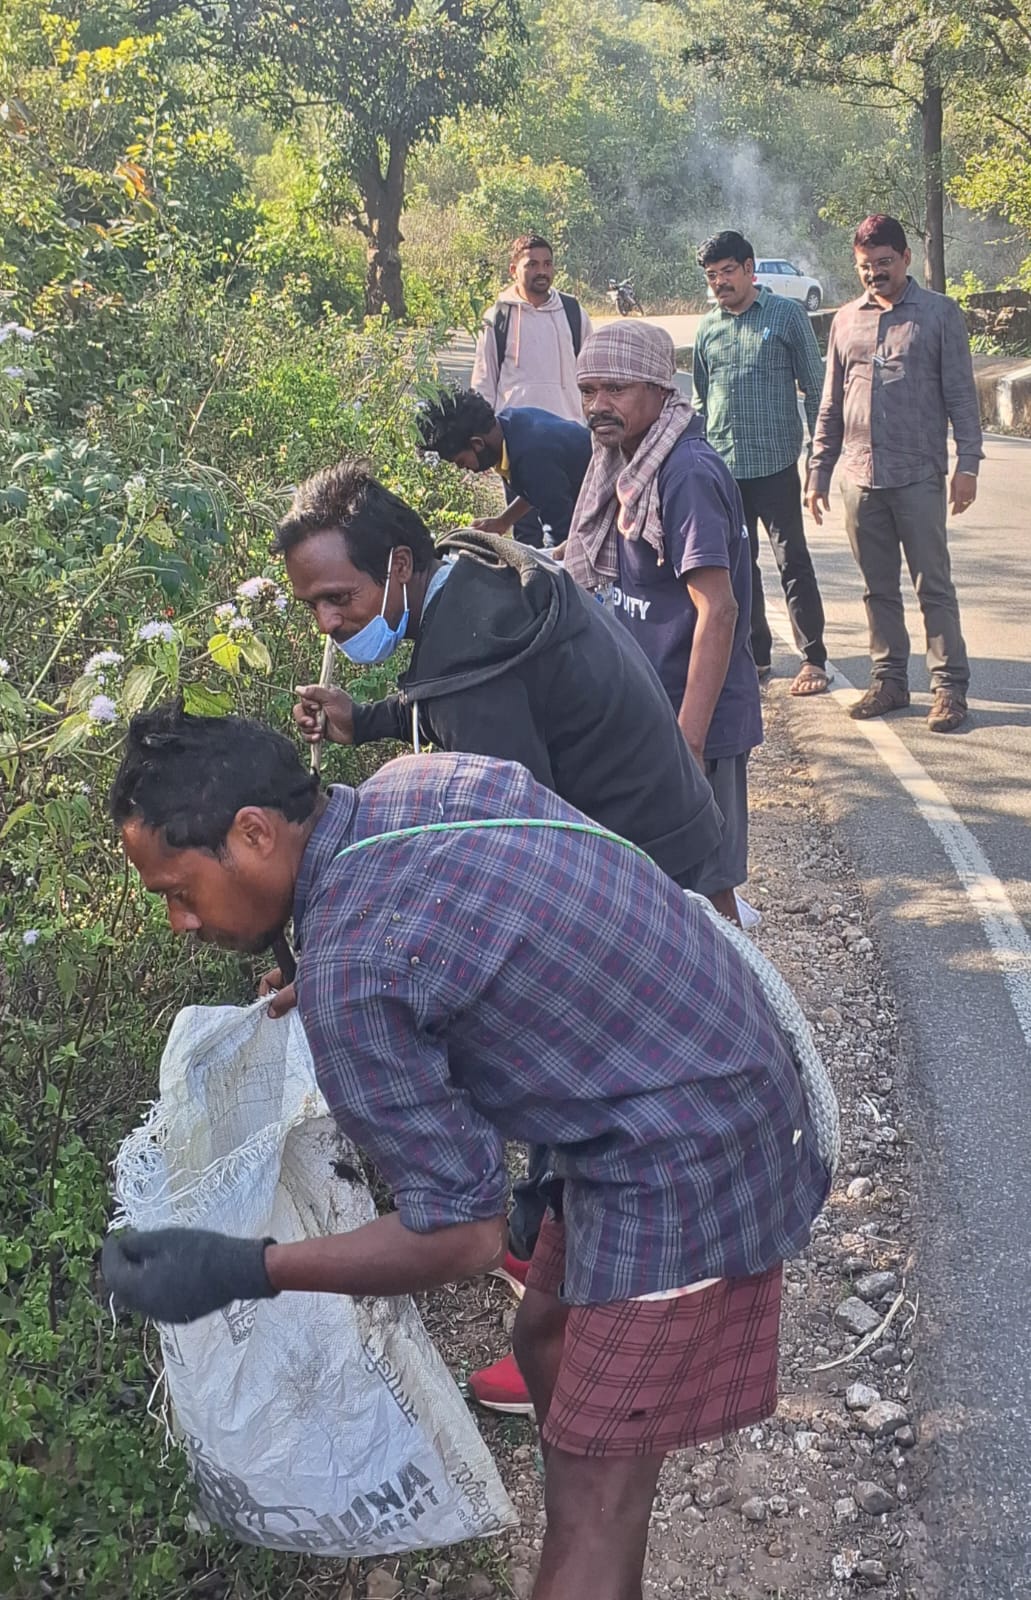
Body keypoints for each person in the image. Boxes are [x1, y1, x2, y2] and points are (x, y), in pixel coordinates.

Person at [103, 706, 831, 1600]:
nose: (180, 921)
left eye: (179, 890)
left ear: (253, 834)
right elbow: (484, 916)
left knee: (594, 1516)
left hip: (694, 1147)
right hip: (702, 1044)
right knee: (546, 1334)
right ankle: (590, 1475)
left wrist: (241, 1268)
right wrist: (321, 962)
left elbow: (461, 1239)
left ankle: (592, 1519)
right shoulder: (412, 785)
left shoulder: (356, 975)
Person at [274, 460, 727, 1411]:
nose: (327, 623)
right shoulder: (475, 579)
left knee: (573, 1082)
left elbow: (498, 848)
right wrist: (376, 719)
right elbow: (468, 699)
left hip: (636, 865)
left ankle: (569, 1341)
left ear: (398, 566)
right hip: (667, 834)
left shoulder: (469, 635)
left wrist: (362, 945)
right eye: (311, 606)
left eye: (337, 597)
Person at [565, 322, 763, 926]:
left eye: (616, 390)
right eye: (589, 390)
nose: (600, 406)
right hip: (653, 712)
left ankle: (749, 1009)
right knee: (661, 882)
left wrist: (689, 742)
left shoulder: (685, 474)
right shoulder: (623, 467)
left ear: (659, 389)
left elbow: (719, 610)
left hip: (694, 719)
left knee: (709, 884)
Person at [805, 214, 982, 732]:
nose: (874, 273)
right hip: (860, 477)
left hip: (918, 474)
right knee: (877, 587)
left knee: (934, 586)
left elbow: (961, 398)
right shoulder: (844, 320)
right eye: (865, 266)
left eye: (884, 262)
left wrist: (967, 465)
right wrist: (818, 473)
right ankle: (890, 681)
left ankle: (949, 689)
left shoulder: (939, 314)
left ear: (905, 258)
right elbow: (830, 404)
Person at [694, 230, 831, 696]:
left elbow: (817, 389)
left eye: (728, 272)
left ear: (750, 269)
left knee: (792, 560)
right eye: (712, 276)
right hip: (724, 471)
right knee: (737, 566)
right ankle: (755, 656)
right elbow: (700, 398)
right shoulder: (708, 327)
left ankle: (813, 657)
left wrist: (818, 459)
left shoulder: (786, 316)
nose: (720, 283)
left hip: (774, 466)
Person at [472, 233, 593, 545]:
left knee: (570, 529)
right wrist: (480, 441)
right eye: (533, 264)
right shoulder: (497, 317)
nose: (543, 271)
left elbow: (592, 372)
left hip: (569, 439)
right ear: (514, 269)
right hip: (515, 446)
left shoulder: (572, 312)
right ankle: (533, 592)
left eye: (548, 264)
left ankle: (567, 591)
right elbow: (484, 381)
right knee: (527, 533)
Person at [416, 386, 591, 549]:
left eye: (461, 462)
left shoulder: (531, 457)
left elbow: (562, 537)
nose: (464, 469)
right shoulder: (509, 426)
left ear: (477, 444)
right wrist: (503, 521)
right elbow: (540, 489)